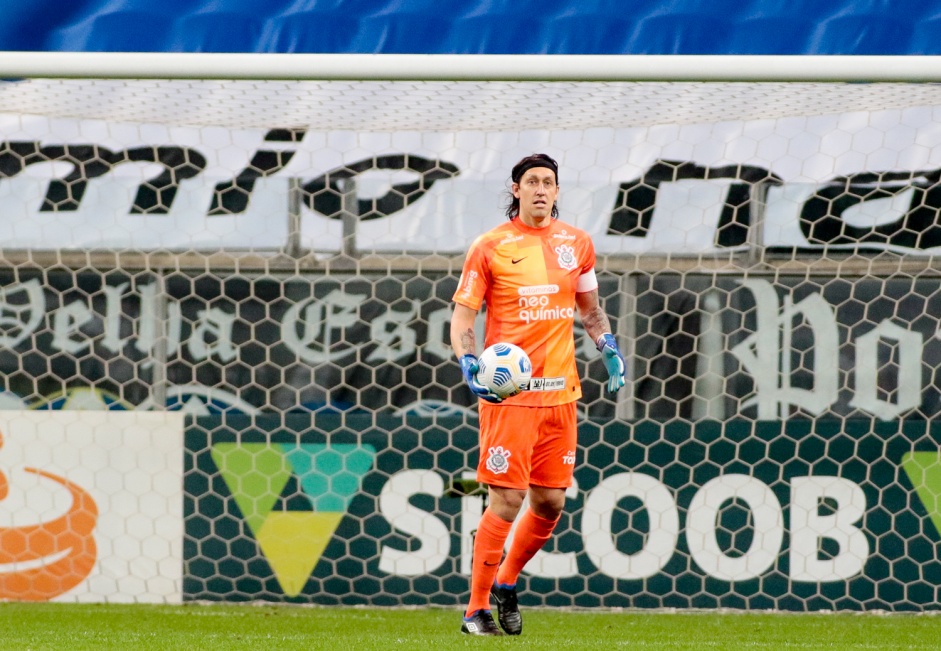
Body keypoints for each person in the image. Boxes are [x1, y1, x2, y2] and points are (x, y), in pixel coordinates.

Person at [450, 153, 625, 636]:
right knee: (505, 500)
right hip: (510, 399)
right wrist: (468, 358)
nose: (541, 189)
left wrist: (607, 346)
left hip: (561, 396)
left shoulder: (577, 244)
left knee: (550, 503)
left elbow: (591, 310)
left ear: (557, 191)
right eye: (532, 182)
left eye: (548, 182)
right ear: (516, 190)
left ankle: (507, 583)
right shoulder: (490, 246)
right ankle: (475, 610)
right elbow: (463, 317)